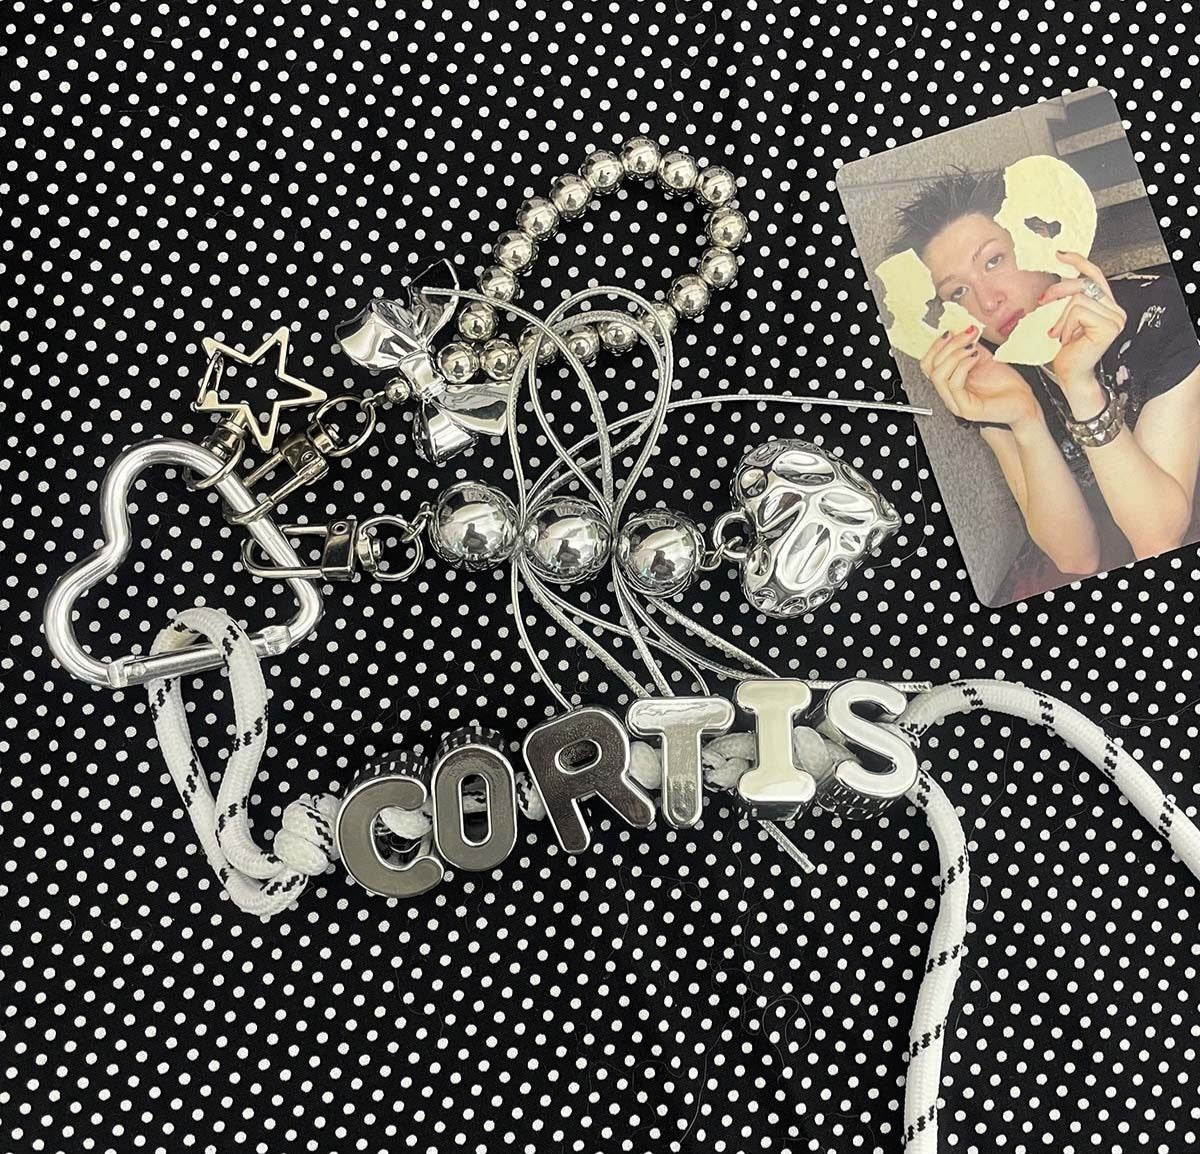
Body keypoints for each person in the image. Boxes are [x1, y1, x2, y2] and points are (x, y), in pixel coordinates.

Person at [891, 168, 1200, 598]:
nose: (987, 301)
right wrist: (1026, 421)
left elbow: (1157, 538)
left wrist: (1081, 386)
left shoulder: (1157, 311)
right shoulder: (988, 372)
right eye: (958, 292)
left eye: (994, 261)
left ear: (1038, 238)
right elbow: (1076, 558)